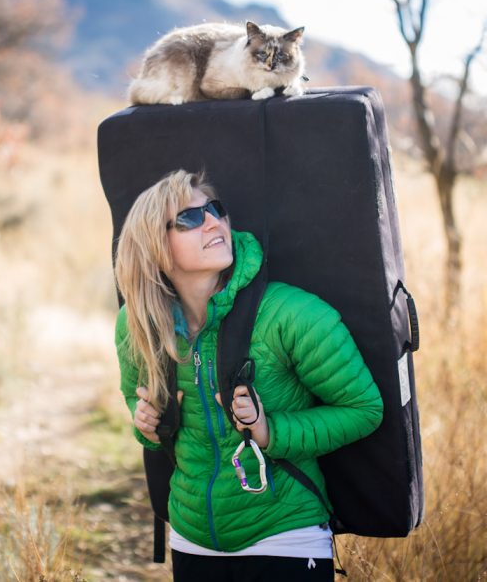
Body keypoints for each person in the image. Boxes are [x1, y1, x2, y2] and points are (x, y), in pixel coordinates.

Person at [113, 169, 384, 581]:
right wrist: (146, 423)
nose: (213, 222)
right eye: (189, 218)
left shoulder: (291, 316)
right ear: (154, 247)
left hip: (285, 539)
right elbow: (137, 398)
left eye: (215, 210)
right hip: (190, 539)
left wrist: (267, 430)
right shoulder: (137, 323)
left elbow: (364, 408)